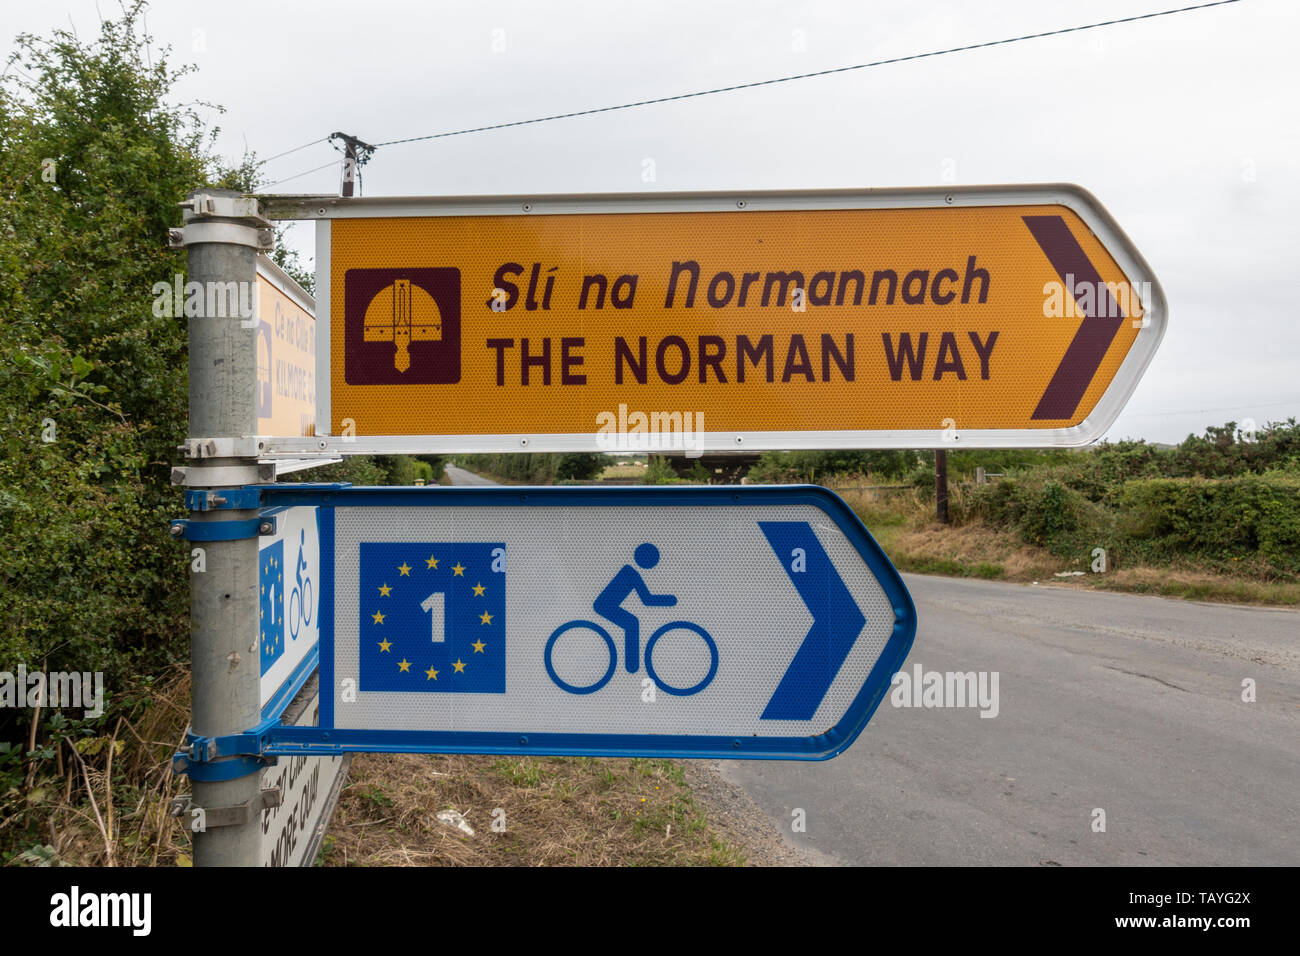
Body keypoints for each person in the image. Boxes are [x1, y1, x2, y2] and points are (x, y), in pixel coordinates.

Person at [593, 543, 676, 673]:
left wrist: (669, 600)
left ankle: (631, 665)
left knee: (632, 622)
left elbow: (646, 599)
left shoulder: (630, 571)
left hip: (607, 605)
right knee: (632, 623)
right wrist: (670, 600)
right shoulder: (631, 573)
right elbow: (646, 600)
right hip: (605, 606)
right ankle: (632, 665)